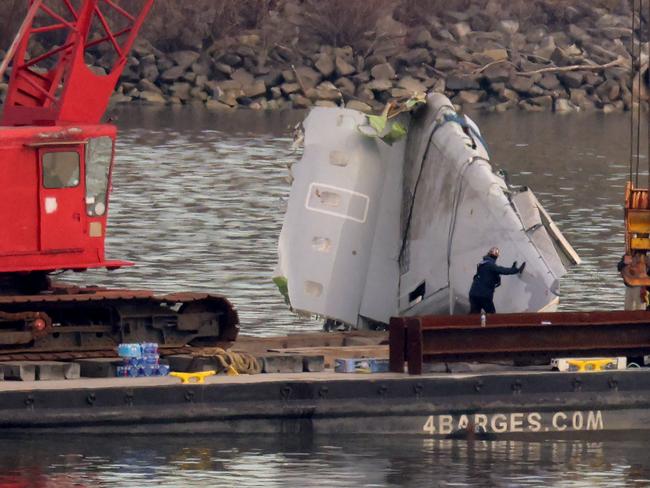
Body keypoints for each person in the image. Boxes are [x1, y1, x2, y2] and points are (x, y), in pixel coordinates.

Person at [469, 247, 525, 314]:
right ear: (495, 258)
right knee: (492, 315)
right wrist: (515, 270)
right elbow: (502, 270)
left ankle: (464, 323)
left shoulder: (481, 264)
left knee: (474, 315)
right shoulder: (491, 265)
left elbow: (489, 278)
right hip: (484, 295)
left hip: (473, 294)